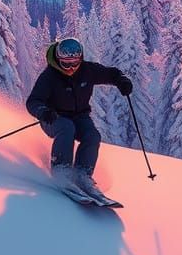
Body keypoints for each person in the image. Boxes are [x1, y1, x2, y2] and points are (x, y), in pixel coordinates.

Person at [26, 37, 133, 189]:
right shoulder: (49, 76)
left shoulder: (87, 70)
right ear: (58, 59)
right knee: (66, 128)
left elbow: (111, 74)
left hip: (80, 116)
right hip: (53, 117)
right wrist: (43, 111)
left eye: (74, 64)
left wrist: (121, 80)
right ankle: (61, 170)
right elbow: (33, 101)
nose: (70, 68)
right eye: (66, 64)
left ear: (80, 60)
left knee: (92, 136)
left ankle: (83, 174)